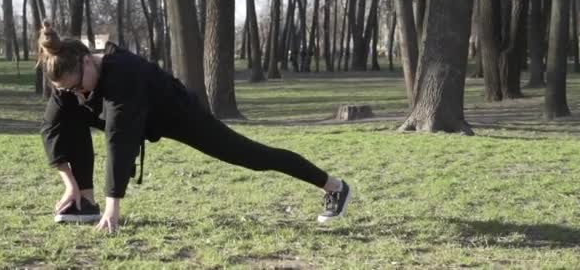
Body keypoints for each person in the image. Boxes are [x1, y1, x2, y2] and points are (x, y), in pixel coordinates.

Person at [38, 22, 352, 233]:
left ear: (87, 62)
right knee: (69, 115)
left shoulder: (123, 73)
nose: (76, 93)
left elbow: (119, 140)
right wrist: (70, 183)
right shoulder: (67, 80)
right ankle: (84, 202)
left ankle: (334, 186)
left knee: (252, 156)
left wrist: (114, 208)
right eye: (68, 90)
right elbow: (52, 129)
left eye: (78, 87)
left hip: (179, 114)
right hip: (135, 116)